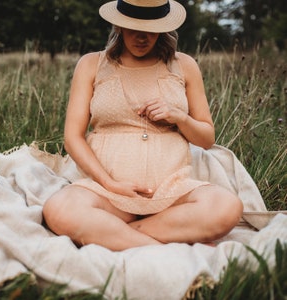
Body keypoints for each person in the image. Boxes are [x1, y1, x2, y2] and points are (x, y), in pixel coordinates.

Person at [42, 0, 243, 251]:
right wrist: (109, 183)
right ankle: (163, 248)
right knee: (58, 209)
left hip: (171, 193)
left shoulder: (185, 66)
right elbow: (72, 138)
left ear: (164, 28)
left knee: (227, 207)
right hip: (107, 194)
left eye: (151, 28)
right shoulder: (92, 64)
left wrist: (179, 117)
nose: (141, 37)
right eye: (133, 27)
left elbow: (206, 138)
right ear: (119, 25)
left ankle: (120, 236)